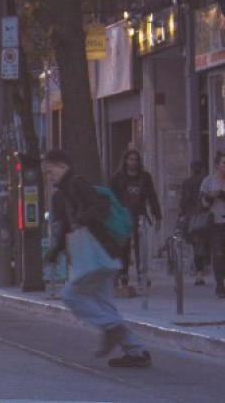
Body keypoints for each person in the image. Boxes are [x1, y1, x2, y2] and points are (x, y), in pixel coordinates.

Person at [42, 148, 151, 368]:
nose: (49, 177)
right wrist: (56, 251)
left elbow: (99, 207)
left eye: (50, 171)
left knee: (72, 296)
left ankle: (112, 328)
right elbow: (65, 225)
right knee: (104, 305)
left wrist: (80, 220)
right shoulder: (65, 190)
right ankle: (137, 351)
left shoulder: (76, 183)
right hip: (99, 252)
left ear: (63, 166)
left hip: (96, 251)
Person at [108, 149, 161, 287]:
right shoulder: (118, 177)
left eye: (135, 159)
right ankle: (123, 273)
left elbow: (152, 196)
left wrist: (157, 216)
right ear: (125, 161)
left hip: (139, 215)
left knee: (141, 246)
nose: (133, 162)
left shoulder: (144, 177)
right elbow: (110, 197)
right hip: (122, 215)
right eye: (130, 159)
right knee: (124, 246)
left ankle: (141, 274)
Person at [178, 160, 210, 286]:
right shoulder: (206, 181)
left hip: (192, 218)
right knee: (202, 245)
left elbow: (183, 201)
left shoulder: (187, 183)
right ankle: (200, 271)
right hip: (205, 217)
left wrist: (181, 215)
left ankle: (199, 273)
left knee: (197, 246)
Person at [199, 150, 225, 298]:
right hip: (216, 223)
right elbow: (202, 204)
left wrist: (221, 194)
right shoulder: (208, 181)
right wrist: (210, 197)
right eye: (224, 163)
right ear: (217, 165)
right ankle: (219, 284)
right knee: (219, 254)